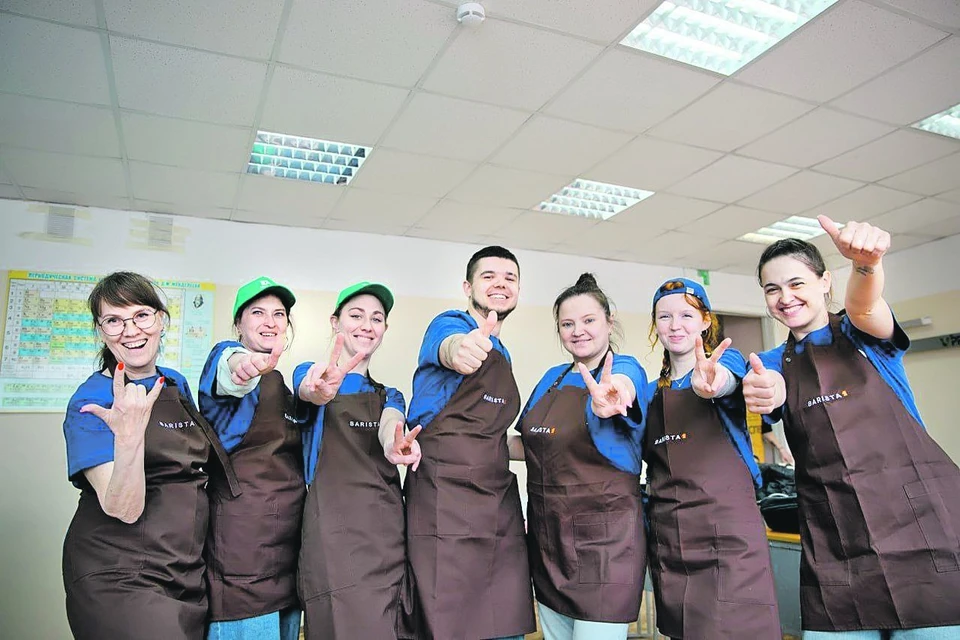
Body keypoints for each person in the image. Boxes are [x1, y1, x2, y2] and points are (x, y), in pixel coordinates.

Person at [743, 216, 960, 639]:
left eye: (796, 283)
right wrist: (764, 392)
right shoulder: (770, 363)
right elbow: (757, 386)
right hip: (836, 542)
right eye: (772, 290)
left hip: (921, 531)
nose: (785, 298)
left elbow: (865, 306)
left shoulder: (863, 333)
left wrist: (866, 266)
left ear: (825, 282)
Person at [62, 272, 238, 640]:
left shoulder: (173, 383)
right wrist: (128, 440)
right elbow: (123, 508)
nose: (130, 330)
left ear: (160, 319)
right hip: (120, 575)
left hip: (184, 572)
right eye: (113, 320)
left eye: (141, 315)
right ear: (101, 331)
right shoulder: (90, 401)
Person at [403, 246, 536, 640]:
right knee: (449, 622)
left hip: (497, 503)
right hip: (444, 500)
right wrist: (460, 351)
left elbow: (491, 434)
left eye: (509, 278)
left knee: (505, 617)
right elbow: (449, 346)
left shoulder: (504, 354)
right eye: (489, 276)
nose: (500, 284)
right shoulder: (448, 325)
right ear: (468, 286)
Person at [510, 273, 647, 640]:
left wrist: (615, 394)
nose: (578, 331)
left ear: (608, 322)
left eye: (588, 321)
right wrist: (462, 444)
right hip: (549, 542)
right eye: (567, 324)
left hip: (605, 548)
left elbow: (624, 386)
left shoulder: (625, 369)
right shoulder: (551, 379)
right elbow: (531, 444)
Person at [645, 277, 780, 639]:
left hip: (728, 538)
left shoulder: (727, 360)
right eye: (665, 317)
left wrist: (714, 383)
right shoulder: (649, 394)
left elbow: (728, 379)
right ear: (655, 324)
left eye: (687, 315)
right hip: (672, 539)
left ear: (706, 321)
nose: (676, 326)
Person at [293, 282, 419, 639]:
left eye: (376, 318)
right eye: (356, 316)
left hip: (384, 540)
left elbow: (391, 423)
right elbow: (308, 390)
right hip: (333, 541)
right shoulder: (310, 374)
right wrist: (319, 388)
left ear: (384, 330)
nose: (367, 325)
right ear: (335, 322)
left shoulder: (388, 394)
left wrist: (395, 445)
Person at [198, 276, 305, 640]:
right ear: (238, 324)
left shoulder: (282, 383)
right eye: (258, 312)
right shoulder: (227, 359)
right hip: (242, 559)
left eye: (279, 314)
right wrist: (241, 368)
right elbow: (230, 371)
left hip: (286, 554)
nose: (270, 322)